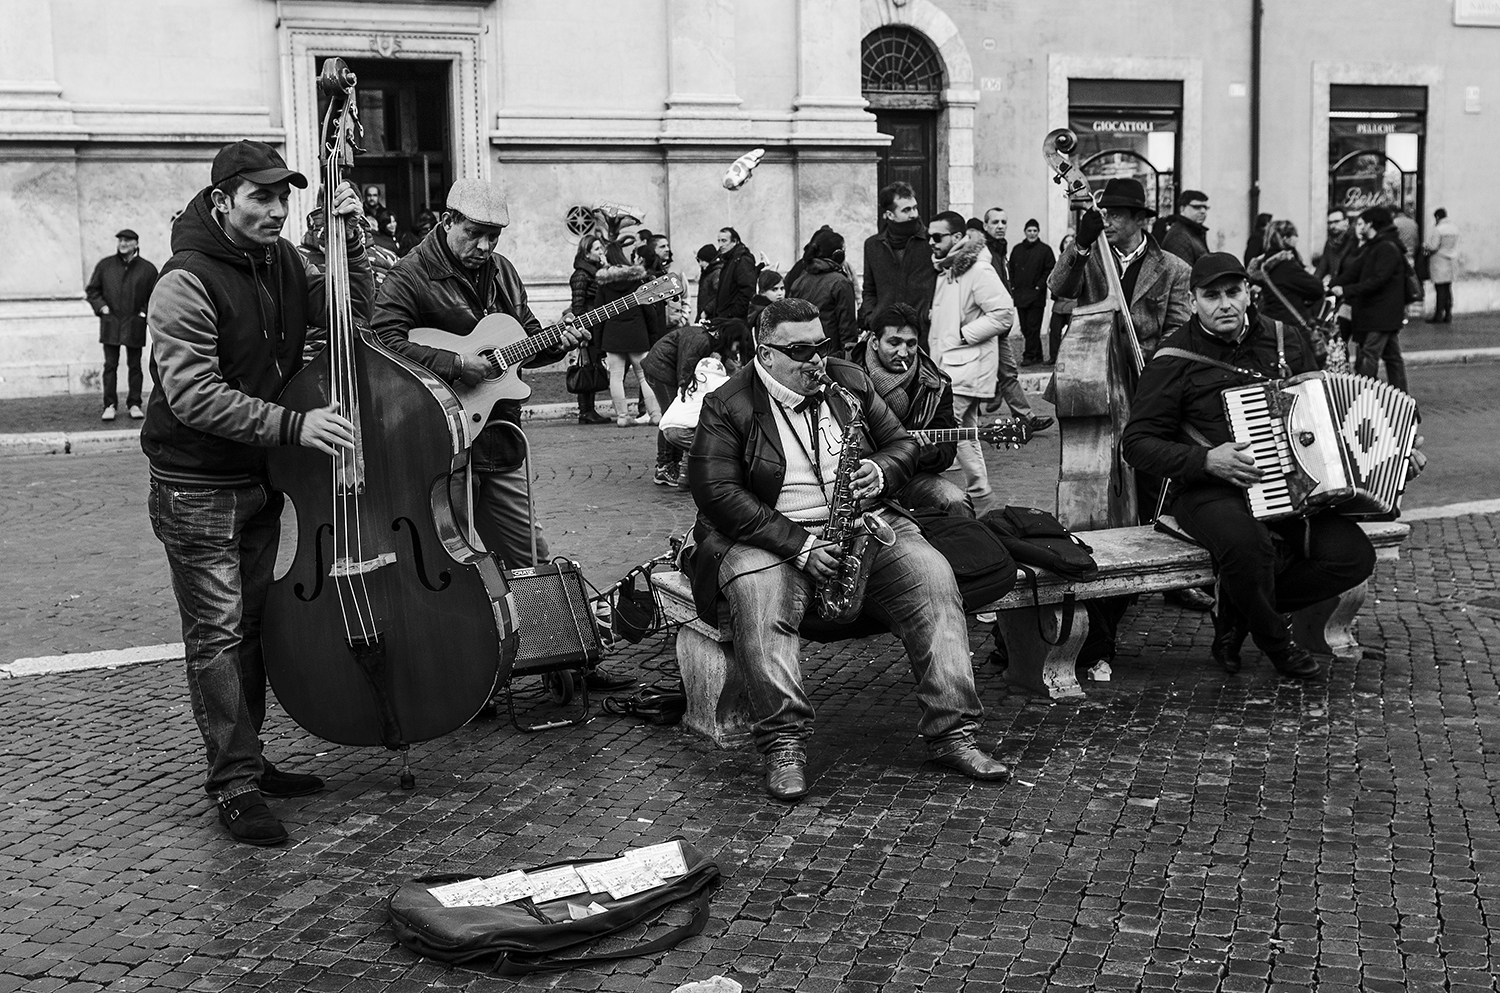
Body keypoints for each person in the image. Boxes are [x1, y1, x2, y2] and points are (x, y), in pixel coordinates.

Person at [683, 297, 1009, 801]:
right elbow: (717, 494)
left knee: (932, 577)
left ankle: (954, 734)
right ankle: (784, 744)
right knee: (760, 594)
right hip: (766, 536)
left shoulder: (849, 382)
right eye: (801, 350)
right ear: (764, 352)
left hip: (859, 527)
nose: (817, 360)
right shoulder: (727, 403)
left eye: (822, 345)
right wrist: (799, 545)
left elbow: (901, 444)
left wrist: (882, 471)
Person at [142, 140, 371, 846]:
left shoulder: (279, 261)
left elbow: (347, 318)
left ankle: (251, 759)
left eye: (284, 198)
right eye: (262, 197)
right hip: (196, 485)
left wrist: (349, 247)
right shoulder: (184, 280)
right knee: (215, 634)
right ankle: (234, 784)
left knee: (249, 629)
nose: (277, 210)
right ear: (222, 201)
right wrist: (294, 424)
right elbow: (193, 395)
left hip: (256, 478)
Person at [1121, 253, 1419, 680]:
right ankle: (1276, 641)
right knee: (1250, 547)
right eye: (1211, 295)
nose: (1224, 304)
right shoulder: (1173, 360)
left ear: (1247, 293)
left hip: (1292, 485)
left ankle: (1239, 614)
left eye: (1233, 292)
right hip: (1209, 489)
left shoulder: (1285, 339)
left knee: (1352, 556)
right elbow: (1136, 444)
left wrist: (1397, 450)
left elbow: (1327, 411)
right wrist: (1205, 459)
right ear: (1192, 302)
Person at [1046, 177, 1192, 367]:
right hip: (1093, 370)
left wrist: (1156, 364)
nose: (1105, 222)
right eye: (1104, 214)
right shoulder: (1088, 259)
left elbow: (1178, 328)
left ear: (1139, 218)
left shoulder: (1175, 269)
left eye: (1115, 215)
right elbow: (1058, 287)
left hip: (1147, 374)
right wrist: (1081, 244)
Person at [926, 210, 1018, 504]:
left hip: (964, 366)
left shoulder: (977, 269)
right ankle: (981, 496)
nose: (930, 242)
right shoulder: (949, 270)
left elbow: (1004, 313)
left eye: (936, 236)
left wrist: (965, 334)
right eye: (929, 236)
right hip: (950, 365)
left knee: (943, 429)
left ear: (956, 237)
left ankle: (959, 497)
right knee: (964, 433)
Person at [850, 303, 970, 516]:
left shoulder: (936, 385)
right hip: (857, 477)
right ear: (875, 342)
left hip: (910, 476)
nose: (903, 353)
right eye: (894, 343)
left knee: (956, 501)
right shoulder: (846, 372)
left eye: (911, 344)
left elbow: (947, 453)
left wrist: (930, 455)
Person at [85, 227, 158, 421]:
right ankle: (109, 404)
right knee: (110, 365)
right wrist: (102, 308)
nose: (122, 244)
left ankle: (134, 403)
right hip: (111, 322)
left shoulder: (148, 269)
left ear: (136, 244)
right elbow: (93, 290)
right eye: (120, 241)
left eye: (127, 241)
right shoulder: (105, 266)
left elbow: (154, 295)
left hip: (134, 322)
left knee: (135, 365)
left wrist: (143, 313)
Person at [1332, 206, 1408, 393]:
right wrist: (1330, 287)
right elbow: (1354, 271)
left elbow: (1378, 280)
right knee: (1392, 357)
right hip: (1379, 313)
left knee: (1369, 354)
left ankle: (1364, 396)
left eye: (1361, 223)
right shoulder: (1374, 245)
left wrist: (1346, 290)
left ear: (1370, 224)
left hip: (1380, 313)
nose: (1359, 228)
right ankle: (1402, 396)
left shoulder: (1386, 247)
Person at [595, 241, 666, 427]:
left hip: (612, 334)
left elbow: (599, 313)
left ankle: (622, 416)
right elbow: (649, 312)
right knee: (644, 376)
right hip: (637, 332)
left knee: (616, 377)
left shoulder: (604, 283)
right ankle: (655, 413)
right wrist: (652, 337)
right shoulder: (636, 279)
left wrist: (599, 342)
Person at [858, 182, 936, 342]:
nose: (914, 214)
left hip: (923, 332)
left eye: (915, 207)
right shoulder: (873, 245)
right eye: (906, 210)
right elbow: (869, 288)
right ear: (890, 215)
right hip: (886, 334)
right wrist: (871, 317)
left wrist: (930, 314)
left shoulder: (931, 241)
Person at [788, 227, 857, 354]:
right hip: (832, 356)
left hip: (805, 354)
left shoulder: (800, 281)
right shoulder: (841, 283)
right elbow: (847, 328)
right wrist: (851, 360)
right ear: (837, 255)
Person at [568, 233, 611, 425]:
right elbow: (578, 306)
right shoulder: (581, 274)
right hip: (588, 328)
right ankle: (585, 410)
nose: (600, 252)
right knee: (586, 367)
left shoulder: (595, 272)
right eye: (596, 249)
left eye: (601, 248)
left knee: (592, 366)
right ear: (586, 253)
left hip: (597, 326)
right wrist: (582, 332)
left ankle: (588, 409)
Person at [1249, 220, 1324, 327]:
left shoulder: (1263, 264)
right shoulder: (1285, 265)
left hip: (1270, 323)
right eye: (1295, 235)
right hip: (1290, 325)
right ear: (1286, 238)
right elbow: (1316, 288)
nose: (1297, 239)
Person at [1007, 219, 1056, 366]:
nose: (1032, 233)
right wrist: (1013, 286)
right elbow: (1011, 269)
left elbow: (1050, 270)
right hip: (1020, 295)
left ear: (1038, 232)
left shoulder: (1045, 250)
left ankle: (1029, 356)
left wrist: (1039, 286)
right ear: (1025, 232)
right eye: (1030, 230)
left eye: (1035, 231)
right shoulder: (1017, 249)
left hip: (1036, 296)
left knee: (1033, 326)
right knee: (1025, 327)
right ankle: (1037, 355)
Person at [713, 227, 758, 323]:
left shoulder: (742, 260)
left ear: (735, 241)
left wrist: (732, 314)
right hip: (726, 317)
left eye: (724, 241)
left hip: (734, 320)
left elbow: (747, 291)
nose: (720, 245)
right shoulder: (729, 260)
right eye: (719, 241)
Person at [1046, 233, 1076, 365]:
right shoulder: (1058, 261)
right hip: (1059, 304)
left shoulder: (1079, 260)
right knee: (1054, 331)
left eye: (1071, 241)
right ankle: (1054, 357)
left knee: (1072, 334)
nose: (1068, 244)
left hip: (1073, 304)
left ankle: (1069, 358)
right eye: (1065, 242)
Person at [1425, 208, 1459, 324]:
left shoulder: (1438, 230)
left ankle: (1439, 314)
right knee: (1448, 288)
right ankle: (1448, 313)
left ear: (1437, 217)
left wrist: (1426, 246)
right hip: (1451, 260)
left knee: (1440, 289)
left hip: (1439, 260)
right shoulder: (1454, 228)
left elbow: (1433, 246)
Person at [1160, 190, 1211, 267]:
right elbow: (1182, 274)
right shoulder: (1179, 236)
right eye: (1197, 207)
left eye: (1205, 207)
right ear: (1182, 209)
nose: (1203, 211)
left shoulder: (1194, 232)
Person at [1312, 209, 1355, 285]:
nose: (1332, 226)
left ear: (1346, 221)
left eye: (1336, 222)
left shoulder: (1354, 240)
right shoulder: (1329, 243)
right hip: (1335, 287)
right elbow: (1322, 268)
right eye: (1330, 223)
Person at [979, 208, 1012, 293]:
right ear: (985, 226)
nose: (1000, 226)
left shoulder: (1002, 249)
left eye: (1003, 222)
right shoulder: (980, 251)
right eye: (995, 222)